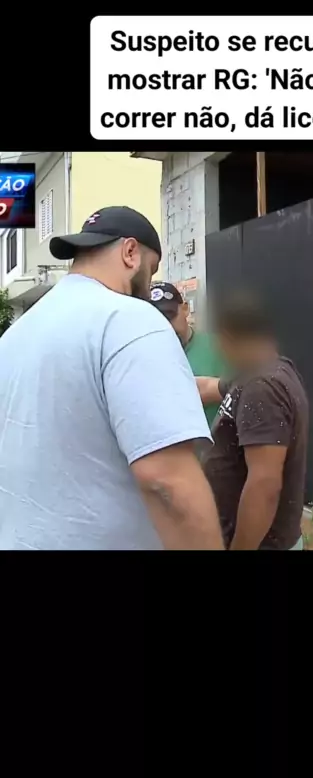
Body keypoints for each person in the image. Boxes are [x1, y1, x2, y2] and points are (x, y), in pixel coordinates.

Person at [0, 205, 224, 551]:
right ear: (130, 252)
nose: (149, 286)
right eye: (151, 270)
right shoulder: (130, 318)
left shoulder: (15, 335)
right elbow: (167, 482)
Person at [197, 293, 309, 551]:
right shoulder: (257, 373)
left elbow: (264, 486)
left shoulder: (262, 389)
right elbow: (206, 387)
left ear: (228, 338)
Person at [150, 281, 226, 427]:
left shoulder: (220, 347)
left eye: (169, 316)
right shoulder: (143, 357)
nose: (166, 326)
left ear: (185, 308)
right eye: (156, 320)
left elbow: (244, 389)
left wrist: (213, 389)